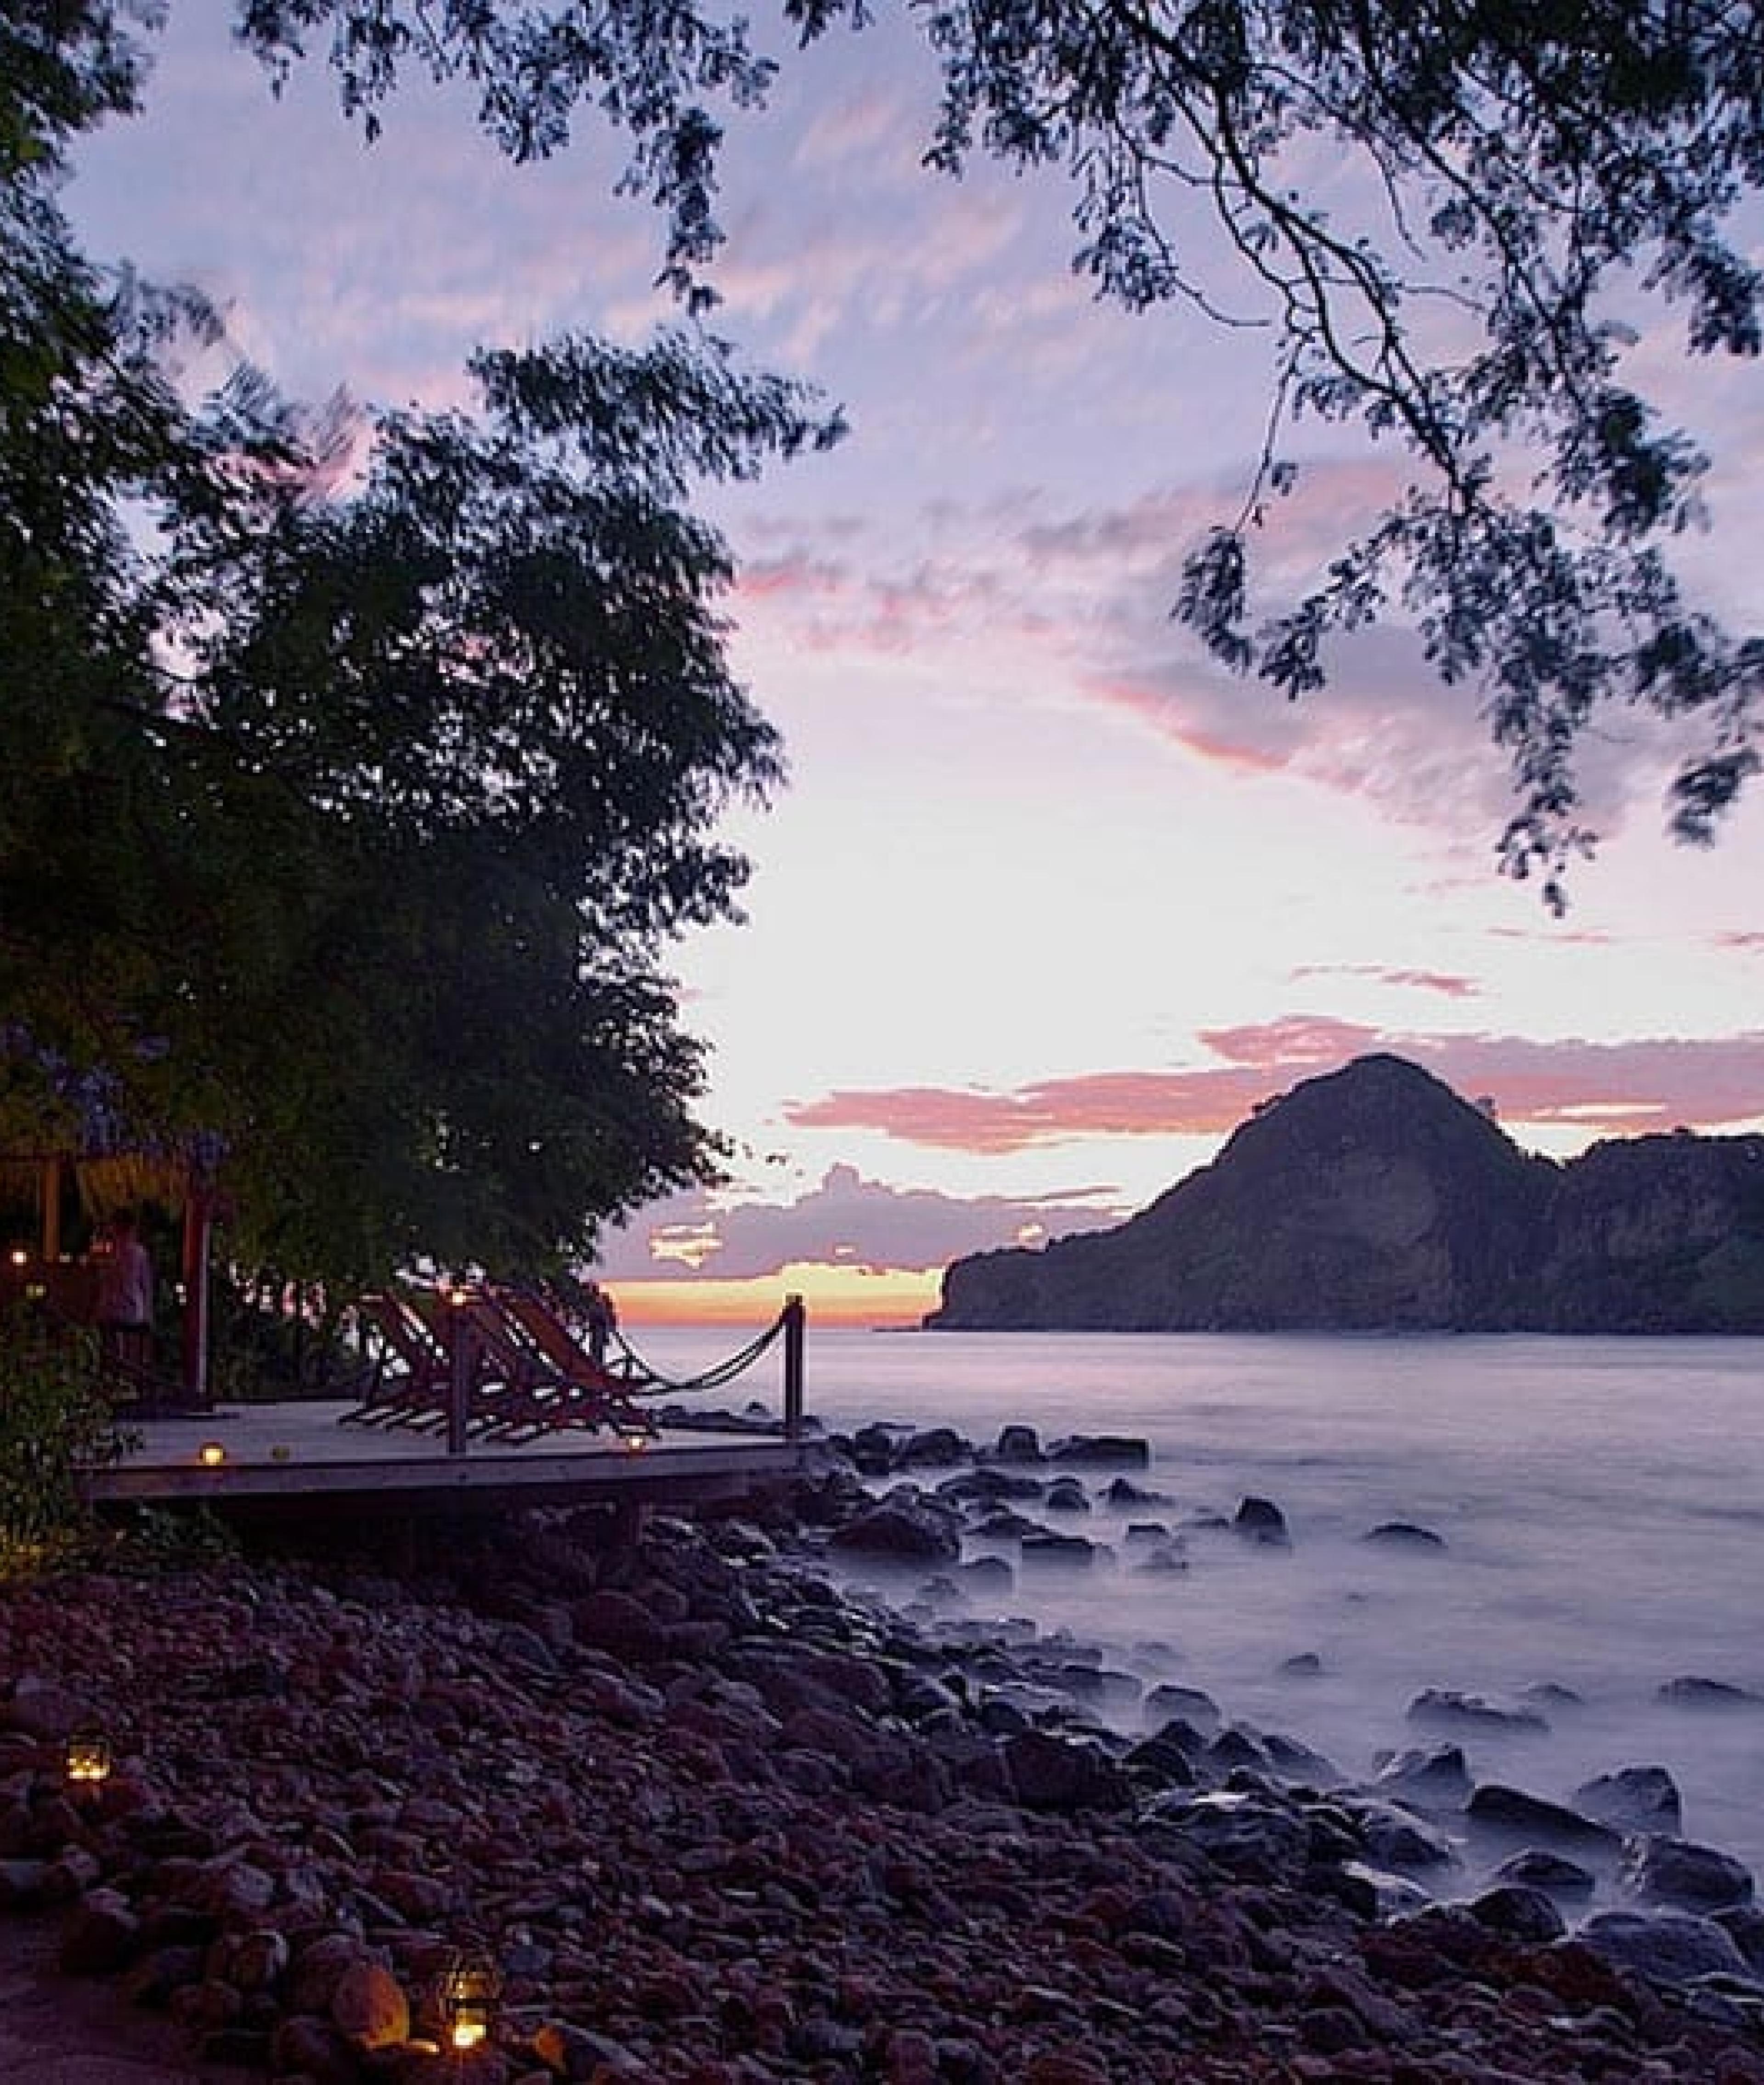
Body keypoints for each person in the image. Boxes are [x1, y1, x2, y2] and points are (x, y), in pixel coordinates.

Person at [95, 1208, 153, 1380]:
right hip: (131, 1310)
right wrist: (148, 1315)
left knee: (112, 1349)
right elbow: (146, 1285)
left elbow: (102, 1280)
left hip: (114, 1309)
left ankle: (114, 1377)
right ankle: (127, 1377)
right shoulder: (137, 1253)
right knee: (129, 1352)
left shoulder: (110, 1252)